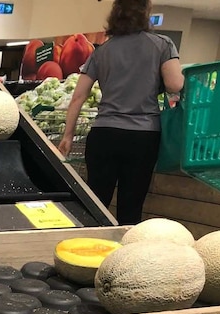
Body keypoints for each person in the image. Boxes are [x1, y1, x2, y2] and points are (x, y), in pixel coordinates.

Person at [58, 0, 184, 225]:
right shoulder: (162, 44)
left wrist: (68, 136)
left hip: (104, 134)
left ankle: (87, 253)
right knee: (131, 206)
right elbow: (175, 84)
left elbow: (78, 96)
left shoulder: (102, 51)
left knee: (95, 204)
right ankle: (123, 258)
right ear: (146, 12)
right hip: (142, 136)